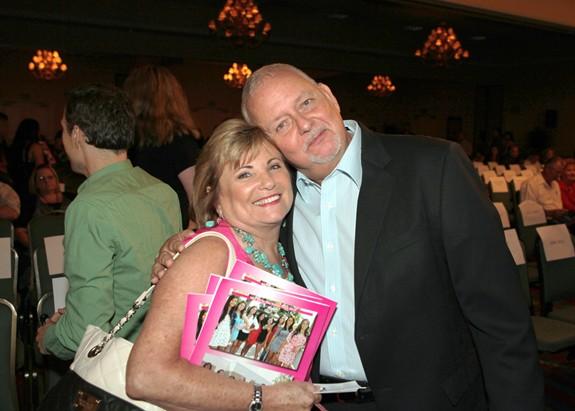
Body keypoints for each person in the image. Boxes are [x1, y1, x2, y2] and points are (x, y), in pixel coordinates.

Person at [154, 63, 543, 410]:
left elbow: (502, 322)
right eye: (282, 124)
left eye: (306, 103)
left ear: (329, 95)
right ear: (271, 144)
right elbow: (235, 236)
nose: (304, 124)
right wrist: (188, 244)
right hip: (320, 401)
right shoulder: (278, 201)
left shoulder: (432, 167)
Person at [126, 118, 319, 411]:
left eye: (274, 166)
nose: (268, 182)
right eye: (245, 174)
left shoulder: (288, 247)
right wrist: (265, 399)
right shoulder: (212, 252)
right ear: (214, 195)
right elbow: (145, 377)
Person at [35, 85, 181, 367]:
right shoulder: (162, 192)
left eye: (63, 130)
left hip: (120, 365)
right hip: (165, 353)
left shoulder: (89, 208)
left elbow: (84, 332)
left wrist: (49, 338)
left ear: (77, 134)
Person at [124, 64, 203, 228]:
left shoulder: (128, 143)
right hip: (170, 228)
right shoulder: (179, 141)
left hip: (143, 226)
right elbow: (197, 196)